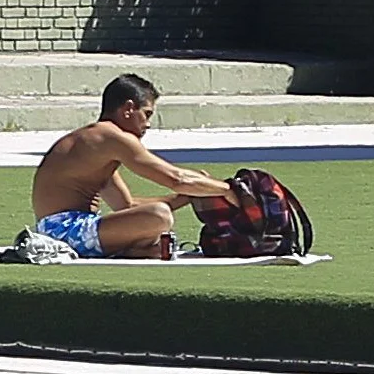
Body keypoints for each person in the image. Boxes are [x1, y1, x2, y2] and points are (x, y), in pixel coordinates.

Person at [24, 73, 229, 258]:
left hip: (58, 230)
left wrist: (188, 196)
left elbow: (126, 206)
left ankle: (135, 250)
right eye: (147, 114)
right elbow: (177, 179)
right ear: (129, 108)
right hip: (64, 232)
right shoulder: (110, 136)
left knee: (156, 218)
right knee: (159, 216)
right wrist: (229, 189)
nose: (148, 124)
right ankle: (134, 249)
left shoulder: (97, 144)